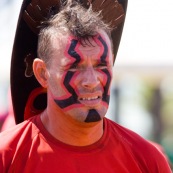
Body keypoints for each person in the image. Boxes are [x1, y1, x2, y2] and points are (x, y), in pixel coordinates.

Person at [0, 0, 172, 172]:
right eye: (74, 66)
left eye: (101, 65)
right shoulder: (7, 156)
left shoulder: (147, 160)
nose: (91, 80)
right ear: (43, 73)